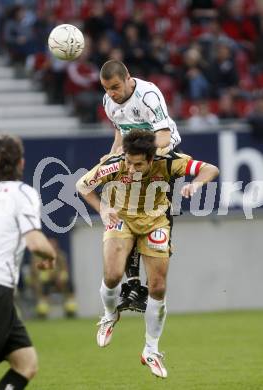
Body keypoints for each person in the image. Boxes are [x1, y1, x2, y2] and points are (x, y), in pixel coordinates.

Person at [76, 130, 219, 378]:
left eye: (138, 164)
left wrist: (195, 184)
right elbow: (82, 185)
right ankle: (110, 314)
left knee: (158, 286)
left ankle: (151, 350)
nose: (131, 169)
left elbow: (211, 169)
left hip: (155, 222)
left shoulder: (170, 161)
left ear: (152, 158)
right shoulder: (115, 164)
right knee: (112, 275)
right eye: (129, 162)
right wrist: (102, 209)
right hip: (120, 218)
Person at [100, 59, 181, 313]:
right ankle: (133, 284)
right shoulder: (108, 102)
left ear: (127, 78)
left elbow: (165, 136)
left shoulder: (148, 95)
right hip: (134, 158)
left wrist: (141, 156)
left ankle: (145, 283)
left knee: (152, 215)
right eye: (106, 89)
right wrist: (113, 155)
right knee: (125, 212)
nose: (112, 93)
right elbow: (120, 132)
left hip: (160, 156)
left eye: (115, 87)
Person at [0, 134, 56, 390]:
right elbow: (35, 243)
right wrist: (50, 256)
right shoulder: (22, 193)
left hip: (2, 292)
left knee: (25, 362)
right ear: (21, 163)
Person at [30, 238, 77, 318]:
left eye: (54, 246)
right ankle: (42, 312)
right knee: (44, 287)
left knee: (69, 285)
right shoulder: (37, 256)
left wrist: (61, 277)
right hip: (42, 282)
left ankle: (70, 310)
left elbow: (64, 270)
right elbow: (36, 272)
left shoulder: (61, 255)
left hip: (57, 281)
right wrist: (50, 275)